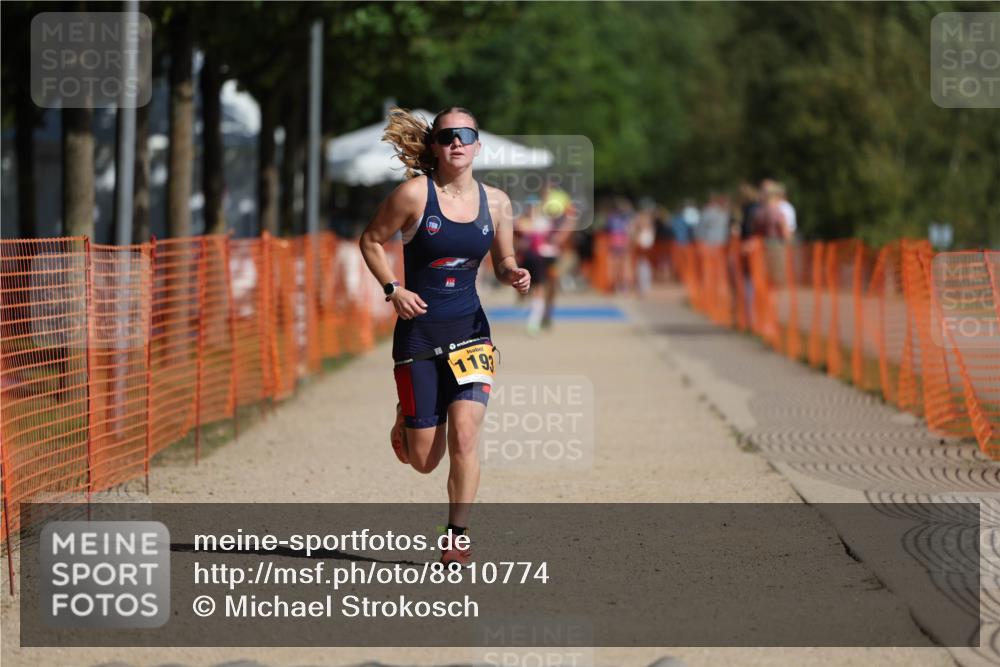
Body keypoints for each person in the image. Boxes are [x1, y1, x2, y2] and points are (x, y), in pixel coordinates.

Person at [359, 107, 530, 566]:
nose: (457, 142)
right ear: (435, 145)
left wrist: (514, 273)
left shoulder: (497, 203)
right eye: (447, 135)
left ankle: (456, 536)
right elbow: (371, 240)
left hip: (471, 331)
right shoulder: (415, 195)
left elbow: (503, 260)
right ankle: (406, 419)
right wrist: (393, 289)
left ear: (477, 145)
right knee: (423, 460)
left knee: (467, 437)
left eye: (466, 135)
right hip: (419, 336)